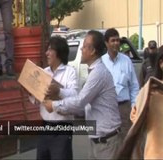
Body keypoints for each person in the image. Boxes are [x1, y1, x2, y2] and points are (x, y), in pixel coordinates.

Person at [43, 30, 122, 159]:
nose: (81, 49)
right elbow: (84, 106)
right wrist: (67, 110)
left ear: (92, 51)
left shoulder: (98, 73)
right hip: (98, 140)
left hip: (107, 142)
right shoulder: (94, 71)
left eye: (84, 46)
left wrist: (54, 105)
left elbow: (80, 101)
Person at [29, 36, 78, 160]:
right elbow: (35, 101)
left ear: (59, 52)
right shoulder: (43, 72)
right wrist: (31, 92)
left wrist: (59, 91)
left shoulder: (70, 72)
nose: (47, 53)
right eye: (47, 50)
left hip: (62, 130)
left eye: (50, 50)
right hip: (45, 127)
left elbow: (75, 96)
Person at [102, 28, 139, 139]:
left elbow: (134, 86)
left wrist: (134, 106)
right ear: (106, 43)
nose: (116, 43)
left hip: (124, 108)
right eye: (113, 40)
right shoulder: (101, 62)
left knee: (126, 140)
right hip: (107, 108)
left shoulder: (126, 61)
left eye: (118, 40)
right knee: (110, 142)